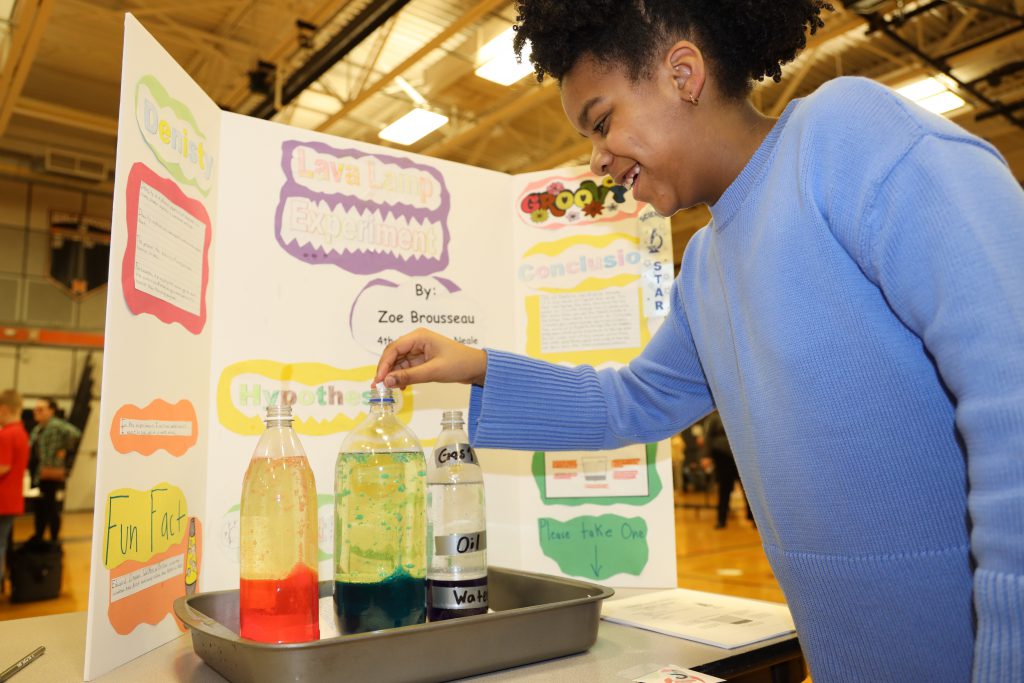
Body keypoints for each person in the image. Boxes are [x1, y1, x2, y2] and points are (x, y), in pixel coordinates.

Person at [373, 2, 1024, 680]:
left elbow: (1013, 387)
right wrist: (475, 367)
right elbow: (628, 401)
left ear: (683, 73)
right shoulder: (706, 269)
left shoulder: (845, 137)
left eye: (602, 122)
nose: (597, 159)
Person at [29, 398, 80, 543]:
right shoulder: (38, 428)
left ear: (51, 411)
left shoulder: (57, 425)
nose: (36, 412)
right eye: (36, 409)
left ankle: (53, 539)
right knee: (40, 506)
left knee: (50, 507)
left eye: (41, 409)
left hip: (51, 472)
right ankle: (39, 536)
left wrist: (64, 449)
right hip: (40, 472)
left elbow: (75, 434)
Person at [0, 389, 30, 583]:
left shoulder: (6, 435)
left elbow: (3, 467)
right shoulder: (22, 433)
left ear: (4, 409)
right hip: (12, 500)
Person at [701, 411, 751, 529]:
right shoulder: (714, 419)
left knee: (747, 489)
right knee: (724, 489)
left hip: (740, 456)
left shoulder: (739, 414)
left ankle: (752, 518)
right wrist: (706, 456)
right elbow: (708, 437)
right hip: (722, 457)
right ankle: (721, 520)